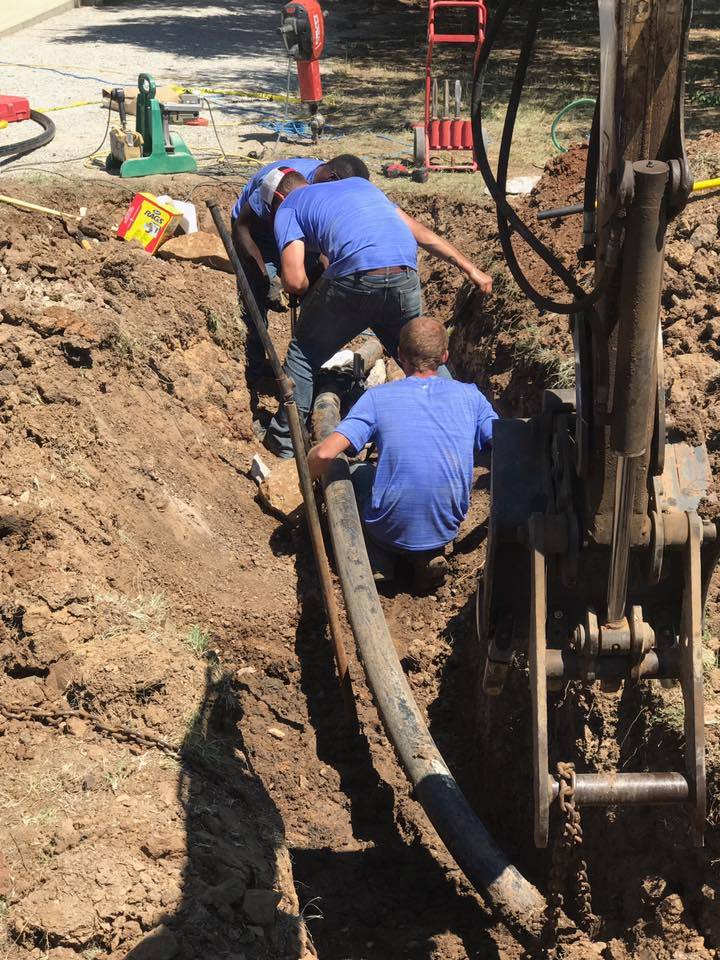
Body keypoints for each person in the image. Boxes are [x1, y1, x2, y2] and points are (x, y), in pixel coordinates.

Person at [262, 173, 493, 458]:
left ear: (279, 198)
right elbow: (420, 233)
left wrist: (305, 292)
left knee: (303, 354)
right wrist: (470, 268)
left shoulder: (288, 206)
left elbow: (295, 280)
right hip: (403, 275)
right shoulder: (363, 188)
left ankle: (285, 442)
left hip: (355, 278)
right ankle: (465, 431)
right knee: (423, 355)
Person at [307, 317, 497, 590]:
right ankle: (427, 557)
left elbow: (325, 453)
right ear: (444, 356)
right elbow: (503, 440)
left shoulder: (378, 398)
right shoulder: (472, 397)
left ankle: (379, 559)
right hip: (445, 528)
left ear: (399, 356)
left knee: (358, 471)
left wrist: (306, 487)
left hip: (386, 530)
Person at [231, 154, 370, 380]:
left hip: (299, 236)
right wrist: (267, 278)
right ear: (333, 178)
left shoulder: (329, 190)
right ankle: (254, 374)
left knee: (314, 290)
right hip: (260, 236)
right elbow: (242, 229)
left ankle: (303, 369)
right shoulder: (280, 181)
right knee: (257, 299)